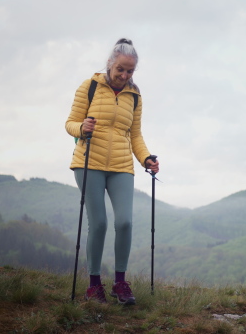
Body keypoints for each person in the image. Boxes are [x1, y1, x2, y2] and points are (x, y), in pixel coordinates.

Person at [65, 38, 159, 305]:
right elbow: (70, 123)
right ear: (110, 64)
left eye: (130, 71)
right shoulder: (90, 86)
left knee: (125, 222)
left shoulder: (135, 95)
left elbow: (136, 136)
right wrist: (82, 128)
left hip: (121, 167)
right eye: (120, 69)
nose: (124, 75)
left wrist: (146, 159)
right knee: (100, 223)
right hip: (88, 163)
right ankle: (94, 285)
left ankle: (120, 283)